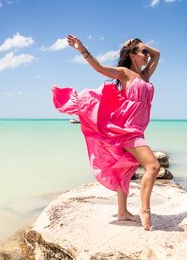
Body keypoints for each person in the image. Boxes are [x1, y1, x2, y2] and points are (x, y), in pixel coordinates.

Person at [52, 34, 161, 231]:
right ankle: (146, 212)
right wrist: (81, 49)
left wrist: (141, 44)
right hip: (127, 130)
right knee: (153, 167)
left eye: (146, 52)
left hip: (138, 130)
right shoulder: (124, 73)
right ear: (132, 55)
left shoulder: (144, 77)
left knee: (125, 169)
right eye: (143, 52)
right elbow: (100, 68)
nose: (147, 55)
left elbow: (157, 55)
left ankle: (122, 212)